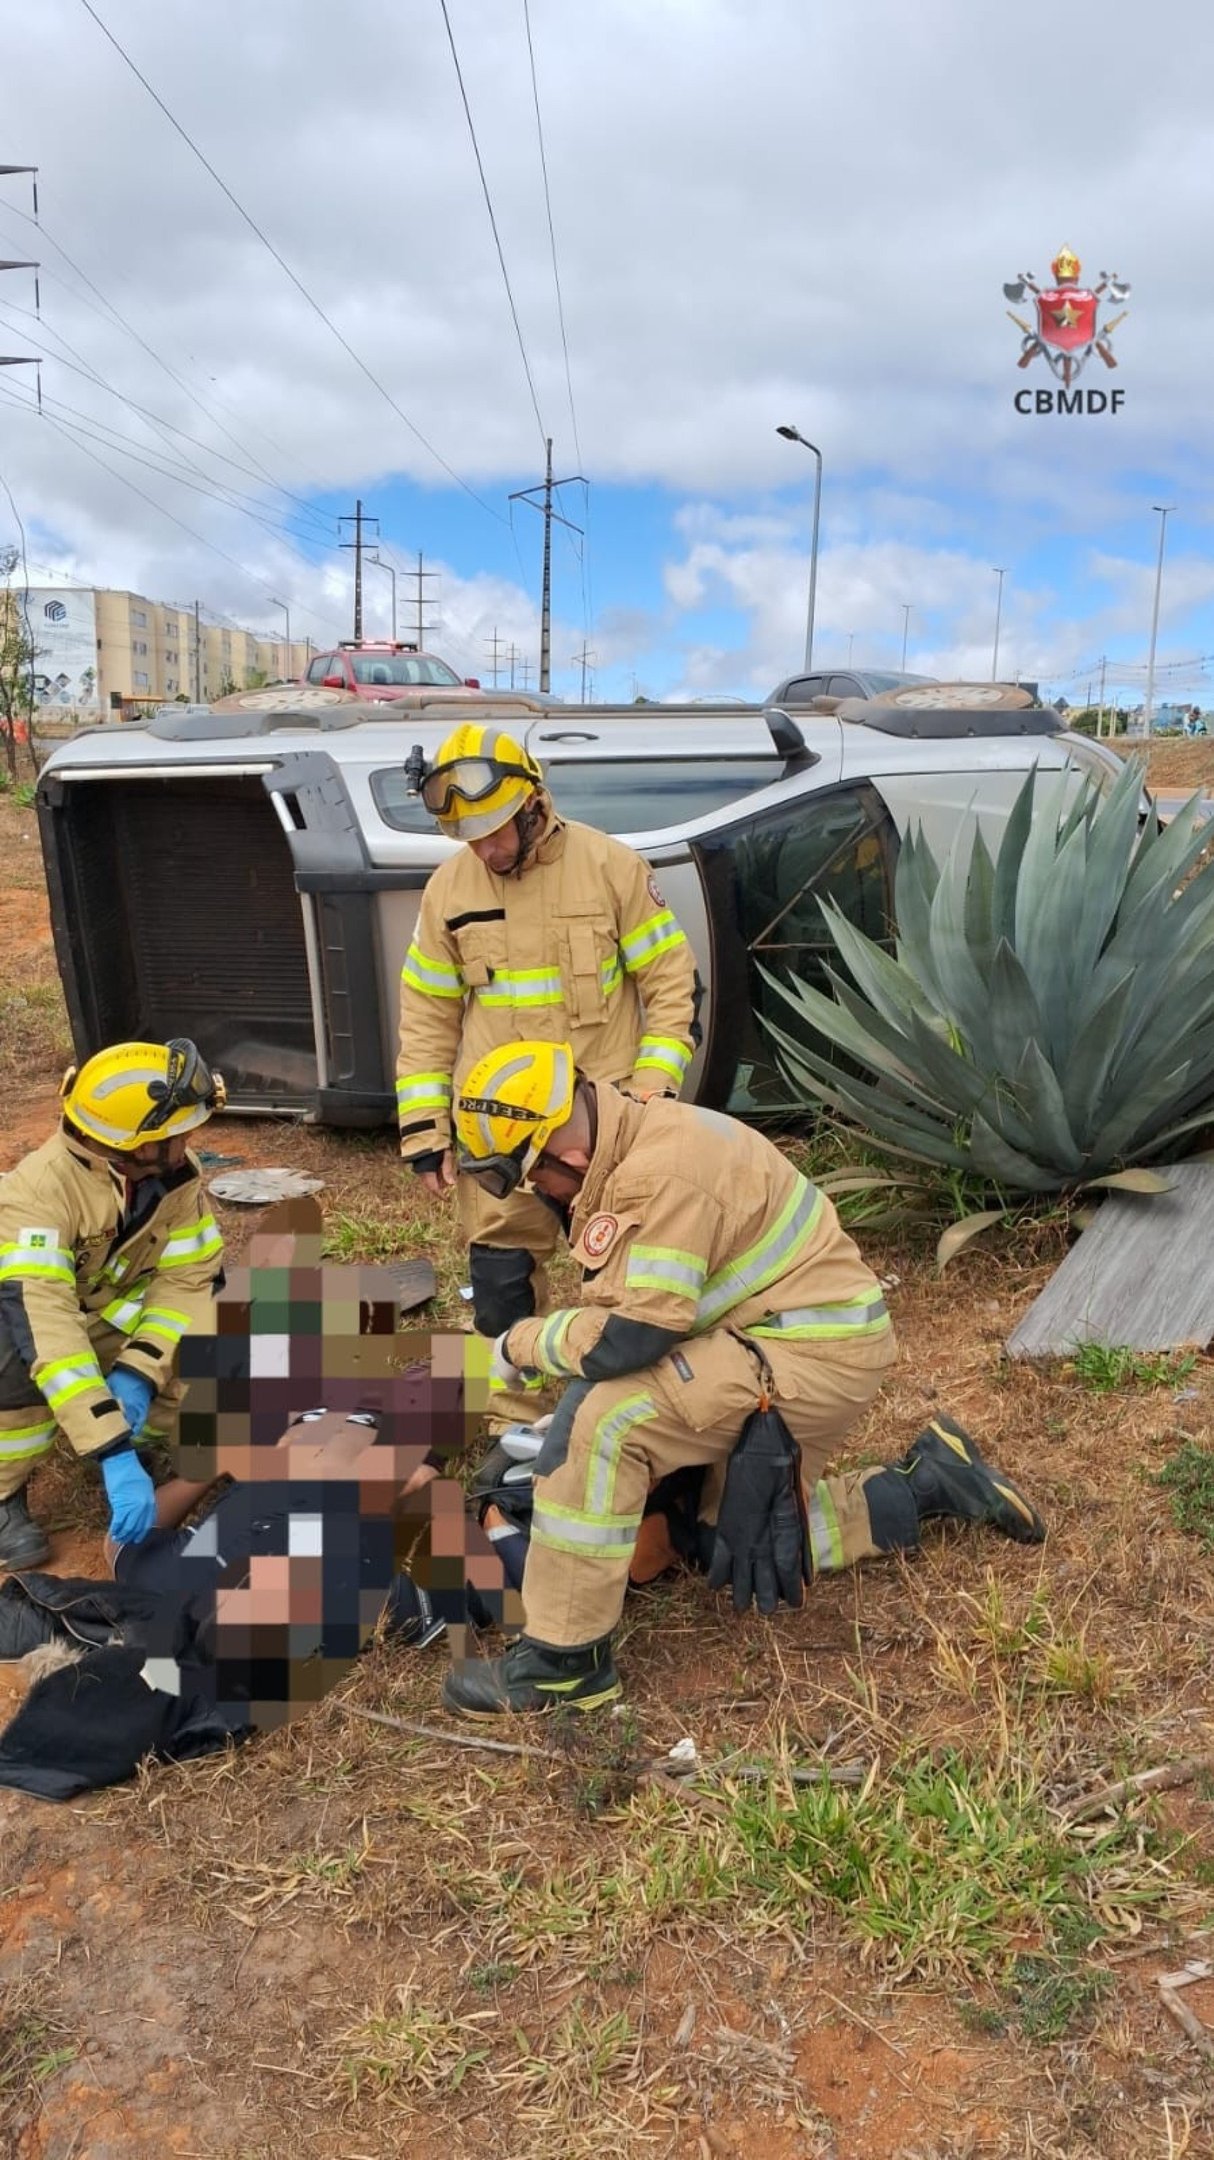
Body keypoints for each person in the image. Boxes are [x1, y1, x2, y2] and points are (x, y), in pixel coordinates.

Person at [440, 1041, 1046, 1716]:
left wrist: (519, 1345)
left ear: (566, 1155)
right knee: (727, 1544)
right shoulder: (629, 1134)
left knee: (601, 1422)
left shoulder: (655, 1174)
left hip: (808, 1354)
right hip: (787, 1335)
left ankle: (563, 1664)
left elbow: (629, 1338)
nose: (537, 1194)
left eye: (533, 1179)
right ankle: (930, 1483)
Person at [396, 722, 700, 1431]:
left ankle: (631, 1414)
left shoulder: (611, 868)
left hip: (604, 1125)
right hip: (499, 1127)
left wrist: (652, 1093)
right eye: (470, 837)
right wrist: (423, 1126)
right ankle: (514, 1422)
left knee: (631, 1277)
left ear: (533, 803)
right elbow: (427, 1014)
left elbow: (671, 986)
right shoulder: (449, 889)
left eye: (497, 831)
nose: (486, 849)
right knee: (500, 1281)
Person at [0, 1039, 225, 1569]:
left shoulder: (173, 1174)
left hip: (101, 1314)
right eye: (175, 1130)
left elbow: (190, 1279)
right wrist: (111, 1450)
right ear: (135, 1144)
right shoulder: (36, 1195)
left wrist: (140, 1373)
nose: (189, 1137)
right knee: (12, 1365)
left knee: (221, 1343)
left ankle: (138, 1437)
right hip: (26, 1321)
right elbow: (46, 1328)